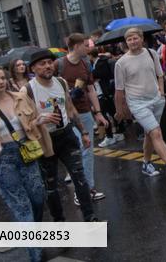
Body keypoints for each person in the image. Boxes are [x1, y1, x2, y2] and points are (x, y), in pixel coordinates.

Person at [0, 65, 47, 262]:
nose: (1, 82)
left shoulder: (20, 98)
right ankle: (35, 254)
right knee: (22, 206)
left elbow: (31, 123)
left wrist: (39, 121)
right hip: (3, 160)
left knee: (38, 197)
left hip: (26, 152)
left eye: (2, 78)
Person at [23, 49, 97, 222]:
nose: (47, 66)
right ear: (33, 68)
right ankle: (59, 222)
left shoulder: (61, 82)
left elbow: (70, 108)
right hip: (45, 140)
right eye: (42, 64)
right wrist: (40, 119)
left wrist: (83, 132)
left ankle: (90, 218)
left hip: (66, 135)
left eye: (49, 62)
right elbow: (24, 123)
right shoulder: (27, 90)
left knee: (79, 177)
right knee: (50, 185)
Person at [113, 28, 166, 177]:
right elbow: (119, 91)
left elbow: (160, 75)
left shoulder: (151, 53)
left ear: (142, 39)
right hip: (138, 103)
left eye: (135, 38)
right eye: (129, 39)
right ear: (126, 42)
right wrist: (119, 110)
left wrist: (161, 92)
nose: (132, 42)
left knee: (149, 134)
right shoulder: (121, 63)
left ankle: (146, 163)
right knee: (156, 132)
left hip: (156, 99)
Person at [57, 34, 107, 204]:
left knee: (87, 151)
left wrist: (98, 112)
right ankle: (81, 191)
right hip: (66, 115)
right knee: (79, 150)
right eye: (86, 45)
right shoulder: (59, 65)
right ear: (76, 46)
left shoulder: (85, 63)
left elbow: (91, 89)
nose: (89, 48)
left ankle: (89, 188)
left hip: (85, 112)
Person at [93, 46, 125, 148]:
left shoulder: (100, 62)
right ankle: (119, 132)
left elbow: (100, 74)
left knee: (105, 114)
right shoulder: (101, 61)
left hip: (103, 92)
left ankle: (110, 136)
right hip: (105, 91)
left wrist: (93, 75)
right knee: (112, 112)